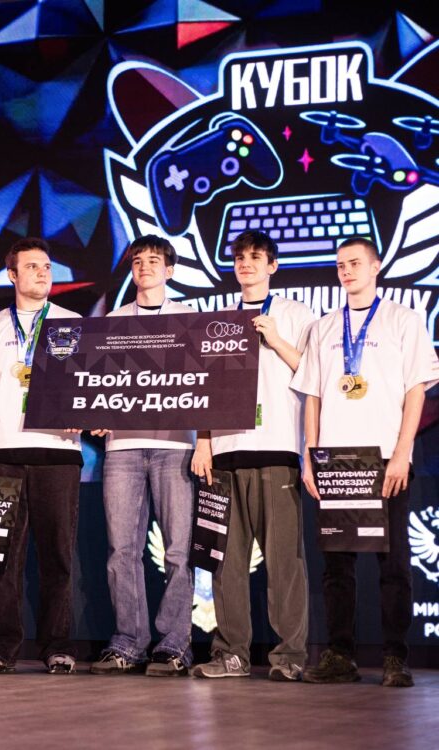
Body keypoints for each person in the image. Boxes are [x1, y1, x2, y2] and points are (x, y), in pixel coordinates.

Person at [293, 237, 439, 687]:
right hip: (336, 460)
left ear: (376, 267)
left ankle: (395, 657)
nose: (347, 271)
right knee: (337, 567)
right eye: (341, 265)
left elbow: (416, 390)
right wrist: (310, 457)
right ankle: (340, 655)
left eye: (355, 263)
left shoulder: (403, 320)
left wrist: (403, 452)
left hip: (385, 457)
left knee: (394, 566)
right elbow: (313, 395)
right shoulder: (323, 327)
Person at [191, 230, 313, 681]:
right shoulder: (218, 320)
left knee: (284, 562)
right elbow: (205, 386)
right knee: (225, 562)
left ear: (272, 266)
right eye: (240, 257)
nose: (246, 263)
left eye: (256, 257)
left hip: (277, 448)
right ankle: (232, 654)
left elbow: (313, 375)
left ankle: (289, 656)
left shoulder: (296, 314)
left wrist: (276, 339)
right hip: (226, 452)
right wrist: (204, 440)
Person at [0, 237, 82, 675]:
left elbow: (89, 386)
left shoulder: (74, 323)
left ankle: (57, 646)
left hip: (58, 452)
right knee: (0, 557)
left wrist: (86, 414)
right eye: (32, 267)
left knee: (58, 557)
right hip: (2, 453)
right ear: (12, 275)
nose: (42, 273)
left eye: (47, 266)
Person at [90, 235, 195, 677]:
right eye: (138, 261)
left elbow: (204, 384)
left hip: (176, 446)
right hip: (123, 447)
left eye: (154, 260)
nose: (145, 266)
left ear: (169, 271)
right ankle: (129, 642)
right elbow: (94, 383)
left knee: (179, 551)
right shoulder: (111, 322)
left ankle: (175, 644)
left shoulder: (190, 319)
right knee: (121, 550)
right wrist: (96, 412)